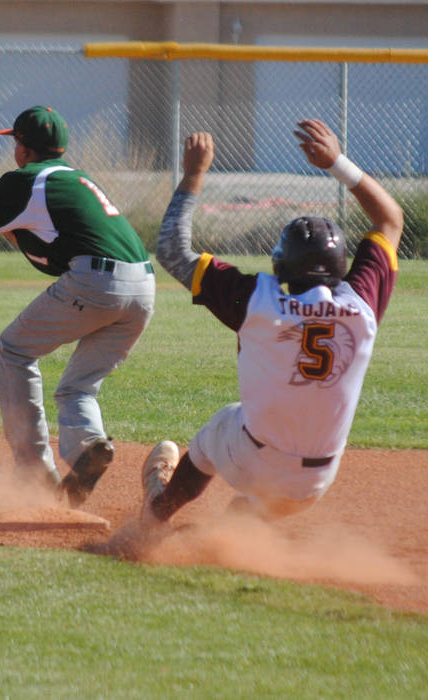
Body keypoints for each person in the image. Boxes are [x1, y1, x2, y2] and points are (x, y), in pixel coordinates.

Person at [140, 119, 403, 527]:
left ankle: (156, 514)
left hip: (252, 459)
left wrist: (194, 173)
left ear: (282, 264)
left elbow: (172, 251)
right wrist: (338, 163)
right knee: (265, 491)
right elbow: (390, 219)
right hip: (316, 481)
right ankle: (245, 525)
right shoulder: (362, 306)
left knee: (221, 428)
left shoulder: (259, 300)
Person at [0, 105, 156, 507]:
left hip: (97, 282)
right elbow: (25, 234)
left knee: (16, 348)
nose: (14, 150)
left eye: (15, 141)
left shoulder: (24, 179)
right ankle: (88, 448)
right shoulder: (73, 179)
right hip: (143, 288)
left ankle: (33, 473)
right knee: (77, 387)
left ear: (23, 147)